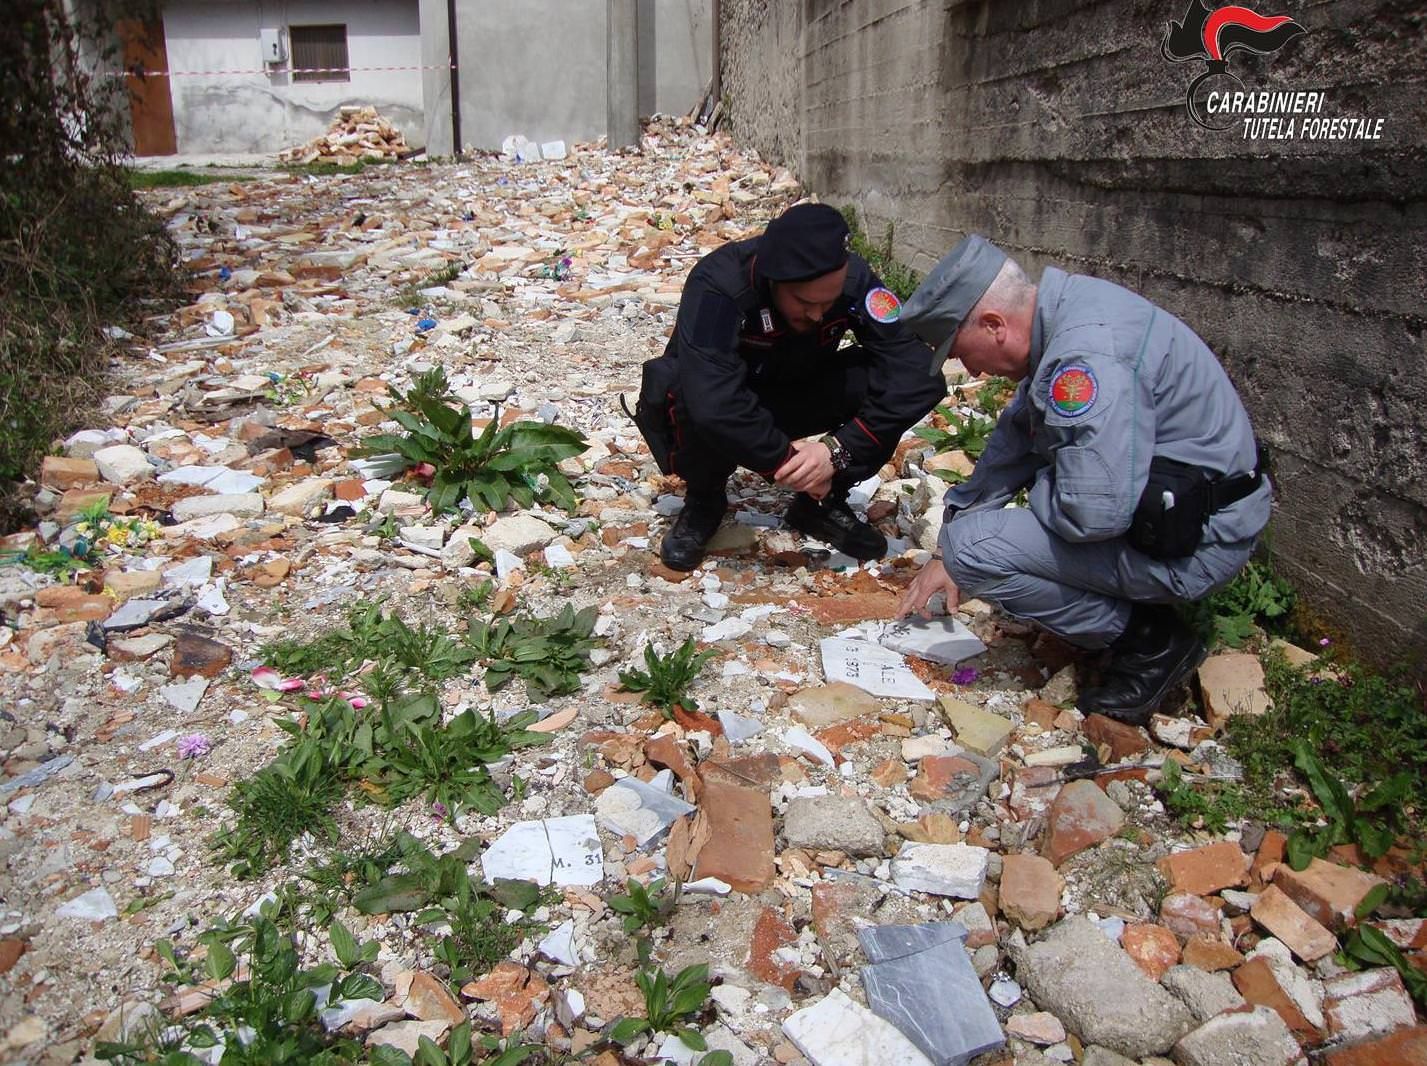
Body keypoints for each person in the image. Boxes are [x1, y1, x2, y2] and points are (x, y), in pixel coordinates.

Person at [895, 235, 1271, 725]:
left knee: (976, 551)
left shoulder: (1085, 360)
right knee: (963, 545)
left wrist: (1038, 490)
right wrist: (947, 542)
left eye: (961, 352)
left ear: (993, 325)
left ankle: (1151, 642)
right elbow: (1017, 436)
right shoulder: (1066, 311)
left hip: (1198, 544)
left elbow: (1090, 516)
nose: (967, 368)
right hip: (1180, 511)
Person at [628, 202, 945, 572]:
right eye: (806, 303)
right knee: (680, 385)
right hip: (729, 406)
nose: (818, 315)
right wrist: (787, 462)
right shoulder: (719, 284)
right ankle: (704, 500)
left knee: (881, 374)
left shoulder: (857, 281)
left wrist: (837, 451)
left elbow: (921, 372)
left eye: (829, 304)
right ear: (772, 280)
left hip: (797, 389)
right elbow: (714, 401)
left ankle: (821, 504)